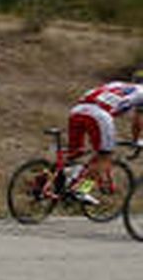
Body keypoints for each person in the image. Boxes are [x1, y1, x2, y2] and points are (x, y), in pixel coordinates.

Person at [61, 75, 143, 205]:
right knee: (104, 156)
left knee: (75, 152)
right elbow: (138, 122)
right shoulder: (142, 92)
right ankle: (81, 190)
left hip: (77, 110)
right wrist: (137, 140)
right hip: (99, 114)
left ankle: (56, 180)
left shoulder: (117, 84)